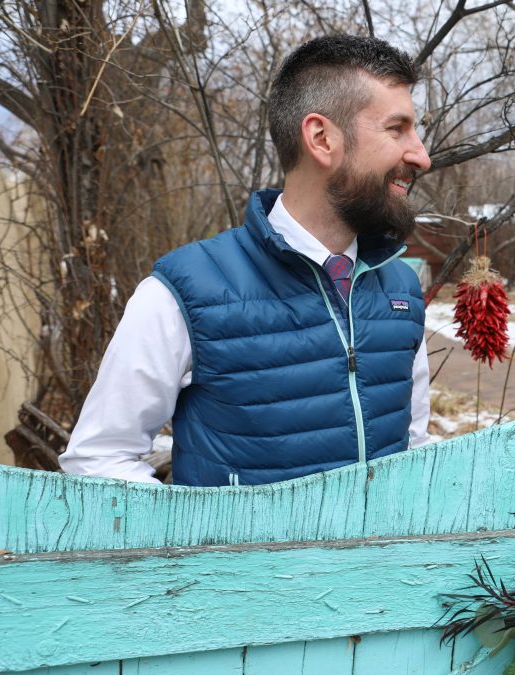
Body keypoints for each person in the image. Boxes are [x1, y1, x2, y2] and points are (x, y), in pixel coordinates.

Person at [60, 35, 433, 487]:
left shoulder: (399, 289)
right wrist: (201, 549)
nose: (421, 156)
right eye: (397, 129)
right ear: (321, 138)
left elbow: (412, 449)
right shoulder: (185, 291)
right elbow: (99, 462)